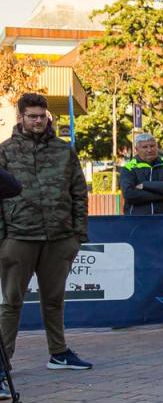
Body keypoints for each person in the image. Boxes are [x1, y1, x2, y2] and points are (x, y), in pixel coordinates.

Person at [0, 94, 90, 373]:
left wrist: (77, 235)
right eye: (32, 116)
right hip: (19, 237)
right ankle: (2, 363)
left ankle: (59, 353)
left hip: (59, 238)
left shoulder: (64, 150)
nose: (38, 121)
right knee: (11, 302)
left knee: (54, 300)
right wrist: (3, 238)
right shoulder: (5, 151)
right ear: (21, 118)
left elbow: (79, 193)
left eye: (42, 115)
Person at [118, 133, 163, 216]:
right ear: (136, 149)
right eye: (145, 147)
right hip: (137, 220)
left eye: (152, 146)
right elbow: (129, 195)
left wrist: (145, 185)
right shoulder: (129, 168)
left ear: (157, 147)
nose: (149, 150)